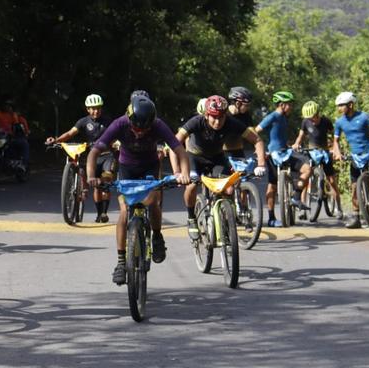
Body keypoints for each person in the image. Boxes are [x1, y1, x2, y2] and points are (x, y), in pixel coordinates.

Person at [86, 94, 190, 286]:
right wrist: (92, 177)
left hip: (150, 167)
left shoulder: (158, 125)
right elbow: (94, 152)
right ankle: (120, 262)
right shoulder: (119, 124)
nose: (140, 133)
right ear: (129, 119)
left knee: (153, 202)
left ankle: (157, 237)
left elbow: (179, 150)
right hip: (127, 168)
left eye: (145, 129)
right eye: (136, 129)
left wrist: (184, 174)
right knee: (124, 212)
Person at [176, 95, 266, 239]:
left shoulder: (231, 122)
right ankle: (191, 218)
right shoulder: (196, 122)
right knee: (192, 186)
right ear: (206, 115)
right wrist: (179, 172)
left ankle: (225, 221)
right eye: (214, 117)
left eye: (221, 117)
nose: (218, 121)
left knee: (228, 189)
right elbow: (175, 142)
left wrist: (261, 164)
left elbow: (257, 140)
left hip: (217, 158)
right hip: (195, 157)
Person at [45, 93, 115, 223]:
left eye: (98, 108)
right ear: (88, 109)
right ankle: (99, 214)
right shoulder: (83, 122)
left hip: (107, 156)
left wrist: (118, 143)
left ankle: (104, 213)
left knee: (105, 182)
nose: (96, 111)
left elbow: (116, 135)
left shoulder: (108, 121)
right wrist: (56, 140)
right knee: (95, 186)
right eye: (93, 108)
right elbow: (70, 133)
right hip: (92, 157)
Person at [331, 91, 369, 229]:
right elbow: (336, 141)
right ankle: (356, 217)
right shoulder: (339, 122)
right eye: (338, 106)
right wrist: (337, 153)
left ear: (350, 105)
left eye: (341, 105)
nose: (339, 109)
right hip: (355, 156)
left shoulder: (364, 117)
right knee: (355, 188)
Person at [256, 90, 311, 227]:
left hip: (286, 151)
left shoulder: (284, 118)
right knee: (272, 186)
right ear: (281, 104)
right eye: (289, 104)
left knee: (307, 168)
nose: (291, 107)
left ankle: (296, 197)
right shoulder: (272, 117)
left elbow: (280, 137)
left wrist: (289, 145)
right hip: (274, 155)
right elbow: (255, 131)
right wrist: (261, 148)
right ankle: (271, 217)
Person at [292, 100, 343, 220]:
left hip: (324, 151)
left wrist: (334, 148)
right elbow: (301, 136)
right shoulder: (305, 122)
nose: (311, 120)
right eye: (309, 118)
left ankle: (339, 208)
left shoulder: (326, 121)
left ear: (317, 114)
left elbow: (334, 136)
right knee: (305, 179)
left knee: (332, 181)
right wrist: (296, 144)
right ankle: (302, 207)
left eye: (312, 118)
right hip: (311, 152)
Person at [0, 99, 30, 167]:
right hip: (0, 135)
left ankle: (22, 164)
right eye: (5, 105)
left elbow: (17, 125)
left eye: (9, 106)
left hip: (11, 136)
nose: (7, 107)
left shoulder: (14, 115)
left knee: (22, 144)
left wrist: (17, 126)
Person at [223, 86, 255, 159]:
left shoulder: (246, 115)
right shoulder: (223, 114)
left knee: (244, 170)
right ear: (238, 103)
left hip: (238, 152)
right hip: (222, 153)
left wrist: (257, 148)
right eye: (246, 105)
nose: (248, 108)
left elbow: (253, 134)